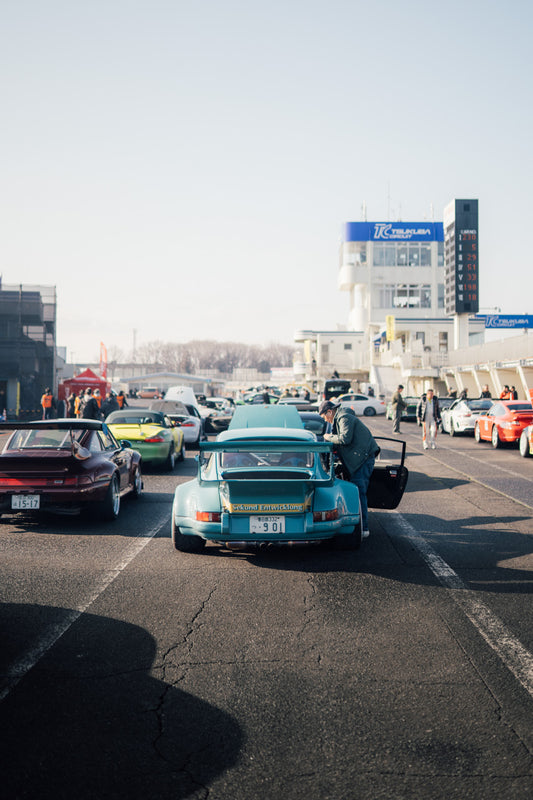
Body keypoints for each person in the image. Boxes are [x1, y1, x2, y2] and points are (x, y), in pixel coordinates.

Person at [319, 399, 380, 540]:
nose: (326, 421)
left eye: (324, 417)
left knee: (359, 492)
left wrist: (328, 437)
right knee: (358, 491)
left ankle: (363, 528)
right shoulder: (340, 418)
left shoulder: (344, 418)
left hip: (363, 460)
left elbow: (345, 438)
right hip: (360, 459)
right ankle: (361, 526)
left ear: (329, 412)